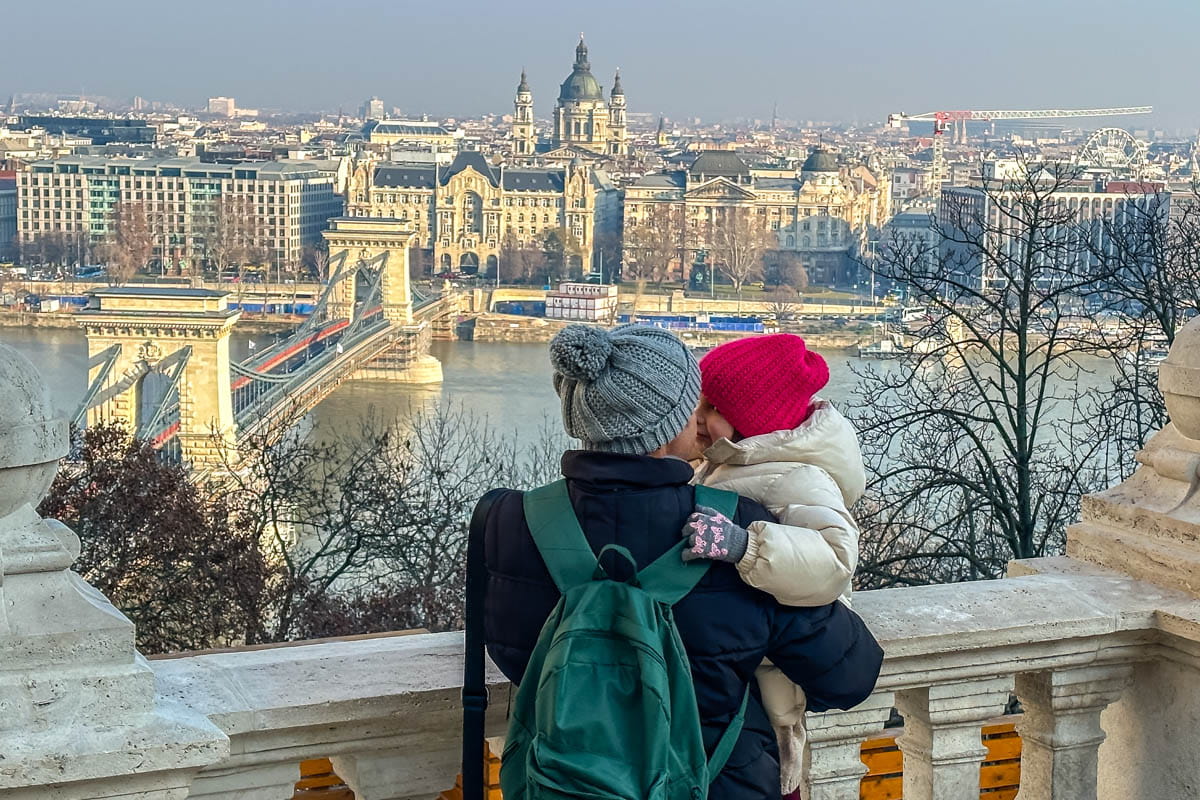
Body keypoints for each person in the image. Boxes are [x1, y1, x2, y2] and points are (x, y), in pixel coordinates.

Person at [481, 324, 883, 800]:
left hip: (570, 780)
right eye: (697, 402)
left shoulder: (508, 520)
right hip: (721, 781)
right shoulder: (729, 525)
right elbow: (848, 675)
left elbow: (513, 653)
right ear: (670, 423)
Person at [682, 333, 865, 796]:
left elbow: (836, 558)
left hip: (771, 671)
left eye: (712, 407)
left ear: (753, 417)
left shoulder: (799, 478)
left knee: (773, 766)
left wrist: (744, 546)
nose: (698, 419)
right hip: (738, 658)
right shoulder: (730, 463)